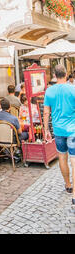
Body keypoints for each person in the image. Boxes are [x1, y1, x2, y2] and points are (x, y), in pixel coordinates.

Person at [44, 65, 75, 209]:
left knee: (62, 157)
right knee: (74, 160)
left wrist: (46, 129)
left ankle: (68, 185)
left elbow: (46, 113)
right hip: (73, 129)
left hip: (58, 129)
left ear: (55, 76)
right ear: (66, 74)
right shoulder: (72, 88)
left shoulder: (49, 91)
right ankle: (74, 190)